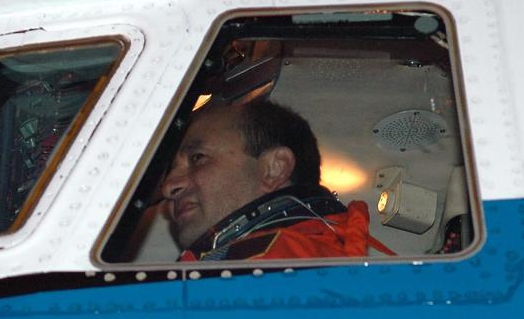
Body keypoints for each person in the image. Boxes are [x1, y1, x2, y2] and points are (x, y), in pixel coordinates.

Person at [160, 99, 378, 261]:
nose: (169, 186)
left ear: (274, 169)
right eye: (171, 170)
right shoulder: (315, 264)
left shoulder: (278, 265)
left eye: (198, 158)